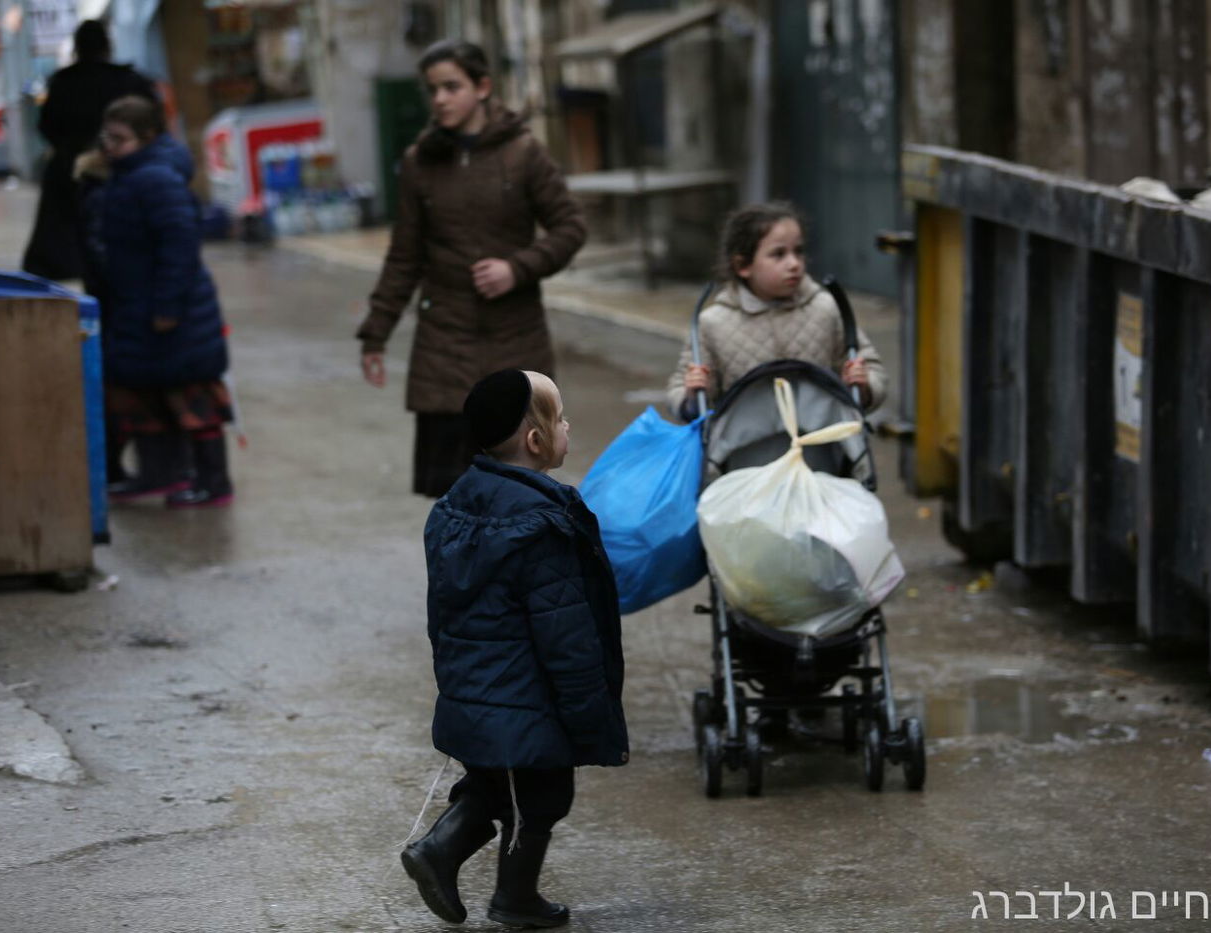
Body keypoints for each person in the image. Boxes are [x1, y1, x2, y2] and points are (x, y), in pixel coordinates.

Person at [403, 369, 627, 928]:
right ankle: (473, 871)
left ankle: (479, 873)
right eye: (561, 418)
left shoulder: (455, 504)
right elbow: (565, 631)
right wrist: (587, 708)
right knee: (543, 796)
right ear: (535, 440)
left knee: (495, 784)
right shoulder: (542, 525)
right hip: (531, 697)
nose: (568, 427)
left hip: (476, 688)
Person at [356, 38, 586, 499]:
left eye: (451, 87)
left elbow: (570, 227)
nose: (440, 99)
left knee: (522, 492)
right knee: (455, 496)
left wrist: (517, 268)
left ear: (482, 87)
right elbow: (404, 256)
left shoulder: (523, 152)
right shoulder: (419, 163)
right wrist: (375, 333)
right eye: (432, 90)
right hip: (444, 348)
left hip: (516, 342)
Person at [98, 95, 234, 508]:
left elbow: (180, 245)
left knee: (192, 397)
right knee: (146, 395)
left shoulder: (155, 179)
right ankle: (160, 475)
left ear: (148, 136)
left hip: (172, 312)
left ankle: (213, 483)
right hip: (137, 306)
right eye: (106, 137)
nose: (109, 146)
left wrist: (167, 308)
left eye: (119, 139)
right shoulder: (127, 174)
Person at [666, 201, 887, 421]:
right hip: (746, 441)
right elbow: (681, 394)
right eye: (779, 254)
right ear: (743, 266)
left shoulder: (826, 308)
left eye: (798, 251)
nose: (794, 263)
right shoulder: (713, 324)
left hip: (823, 438)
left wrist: (863, 385)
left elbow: (871, 369)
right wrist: (693, 393)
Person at [22, 20, 157, 281]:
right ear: (107, 46)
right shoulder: (129, 81)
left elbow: (47, 126)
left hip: (70, 172)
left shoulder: (63, 83)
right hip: (110, 172)